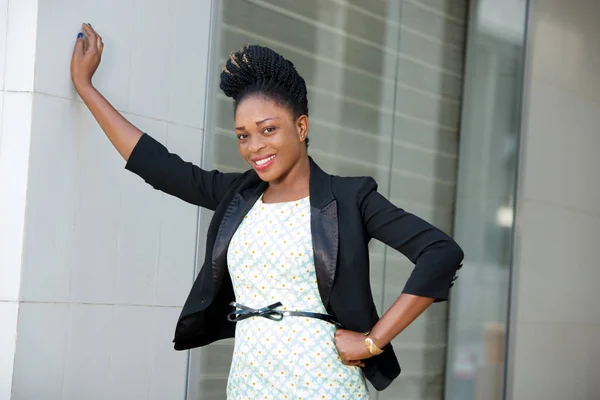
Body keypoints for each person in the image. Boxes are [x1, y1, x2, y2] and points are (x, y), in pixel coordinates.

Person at [70, 23, 464, 399]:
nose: (254, 146)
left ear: (302, 126)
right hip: (248, 385)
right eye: (243, 135)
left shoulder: (348, 197)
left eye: (268, 129)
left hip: (324, 386)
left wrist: (372, 340)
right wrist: (86, 88)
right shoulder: (240, 196)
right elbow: (160, 167)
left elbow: (440, 253)